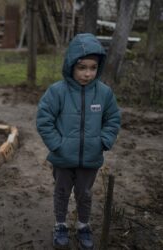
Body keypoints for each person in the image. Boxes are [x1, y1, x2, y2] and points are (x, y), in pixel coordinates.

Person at [36, 33, 121, 250]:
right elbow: (44, 120)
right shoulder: (57, 91)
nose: (87, 73)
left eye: (93, 68)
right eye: (82, 67)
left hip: (90, 159)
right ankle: (60, 224)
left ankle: (83, 226)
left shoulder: (104, 94)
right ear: (71, 65)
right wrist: (58, 145)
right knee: (62, 192)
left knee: (84, 194)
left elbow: (113, 119)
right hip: (63, 159)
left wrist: (103, 141)